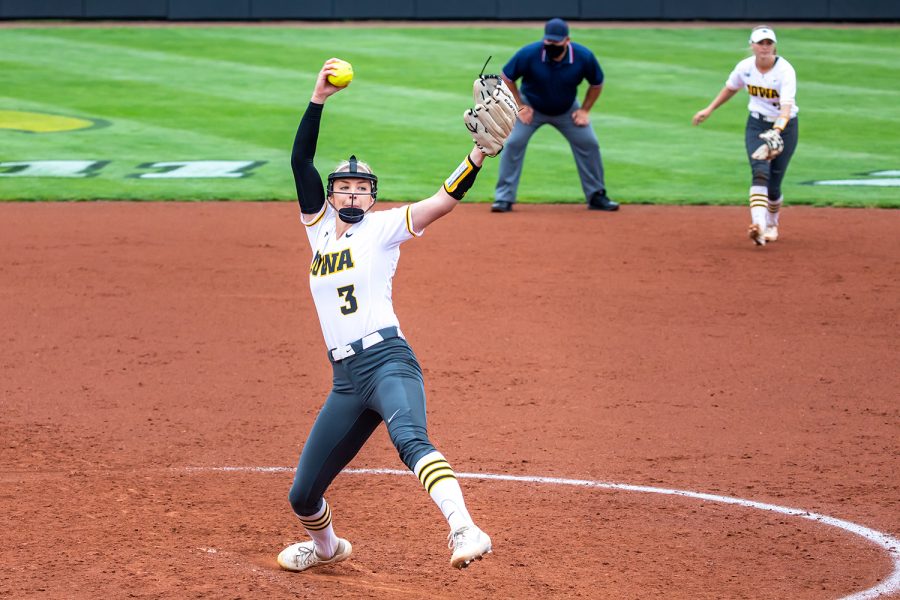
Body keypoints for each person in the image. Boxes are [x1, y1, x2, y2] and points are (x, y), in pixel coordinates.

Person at [276, 58, 514, 573]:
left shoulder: (384, 229)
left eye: (362, 189)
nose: (353, 193)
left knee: (410, 441)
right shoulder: (317, 230)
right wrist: (318, 99)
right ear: (331, 195)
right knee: (302, 495)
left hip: (387, 362)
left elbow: (441, 202)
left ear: (373, 196)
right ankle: (327, 549)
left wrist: (475, 156)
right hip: (345, 381)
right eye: (344, 187)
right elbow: (300, 162)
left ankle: (465, 528)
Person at [491, 17, 619, 213]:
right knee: (514, 142)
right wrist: (520, 106)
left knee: (589, 143)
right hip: (532, 108)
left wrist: (584, 110)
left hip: (567, 109)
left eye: (556, 42)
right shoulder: (530, 53)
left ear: (567, 40)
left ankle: (596, 196)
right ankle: (503, 198)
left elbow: (596, 83)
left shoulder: (583, 56)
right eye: (548, 42)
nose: (551, 46)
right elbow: (506, 78)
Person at [692, 25, 800, 246]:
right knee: (759, 172)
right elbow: (731, 87)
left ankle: (772, 224)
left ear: (774, 46)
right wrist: (709, 109)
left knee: (774, 185)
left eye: (769, 43)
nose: (765, 47)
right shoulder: (745, 67)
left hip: (785, 128)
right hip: (756, 125)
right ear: (752, 46)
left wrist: (776, 131)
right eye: (760, 43)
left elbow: (786, 109)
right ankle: (758, 227)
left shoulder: (785, 71)